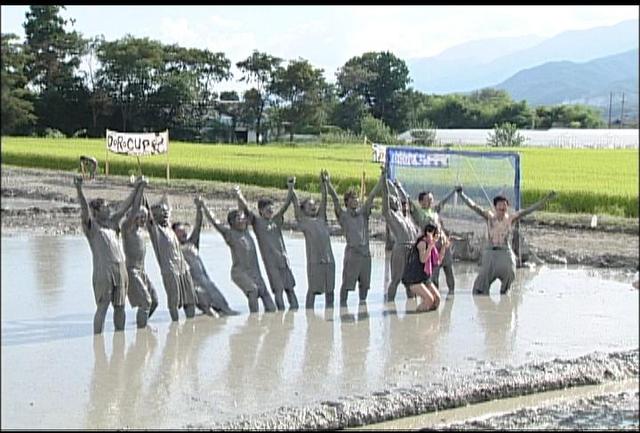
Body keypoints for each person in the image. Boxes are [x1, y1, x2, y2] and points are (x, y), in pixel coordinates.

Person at [74, 174, 146, 334]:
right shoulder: (92, 227)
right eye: (105, 206)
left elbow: (127, 207)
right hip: (103, 271)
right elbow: (85, 210)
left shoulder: (113, 223)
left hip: (120, 269)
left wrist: (138, 188)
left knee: (120, 306)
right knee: (103, 305)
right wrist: (79, 189)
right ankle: (97, 340)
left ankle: (119, 339)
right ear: (96, 211)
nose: (110, 208)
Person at [457, 186, 557, 295]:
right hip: (491, 252)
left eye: (504, 205)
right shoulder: (489, 217)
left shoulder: (510, 218)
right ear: (495, 207)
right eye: (500, 204)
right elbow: (474, 206)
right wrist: (462, 194)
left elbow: (528, 210)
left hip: (505, 251)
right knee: (481, 283)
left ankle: (505, 290)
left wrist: (546, 199)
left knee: (510, 272)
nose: (502, 207)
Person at [200, 200, 276, 313]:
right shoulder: (230, 234)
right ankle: (254, 320)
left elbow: (245, 209)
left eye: (243, 218)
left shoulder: (246, 232)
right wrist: (204, 206)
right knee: (253, 291)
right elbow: (215, 222)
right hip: (240, 272)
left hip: (255, 273)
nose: (242, 220)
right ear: (232, 222)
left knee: (270, 304)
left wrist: (238, 195)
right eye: (238, 219)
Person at [234, 185, 298, 311]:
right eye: (266, 208)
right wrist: (239, 194)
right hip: (271, 264)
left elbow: (286, 205)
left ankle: (295, 313)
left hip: (284, 261)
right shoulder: (257, 223)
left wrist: (291, 187)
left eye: (271, 208)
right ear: (260, 211)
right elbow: (245, 209)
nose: (270, 210)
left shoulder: (276, 220)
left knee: (290, 289)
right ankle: (281, 316)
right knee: (278, 291)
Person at [173, 196, 239, 317]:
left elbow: (198, 225)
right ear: (173, 234)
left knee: (227, 310)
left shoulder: (192, 244)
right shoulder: (174, 249)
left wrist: (199, 208)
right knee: (212, 313)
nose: (184, 233)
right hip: (193, 286)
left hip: (207, 283)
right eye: (180, 231)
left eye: (184, 230)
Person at [326, 168, 383, 306]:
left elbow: (372, 196)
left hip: (365, 254)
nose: (356, 200)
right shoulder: (343, 216)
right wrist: (328, 184)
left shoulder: (363, 213)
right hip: (353, 254)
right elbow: (335, 200)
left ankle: (363, 307)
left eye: (357, 198)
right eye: (352, 199)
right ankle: (342, 306)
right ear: (347, 202)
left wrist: (382, 178)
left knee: (365, 286)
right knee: (347, 285)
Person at [144, 194, 197, 321]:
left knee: (190, 299)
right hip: (170, 270)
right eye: (162, 211)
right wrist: (141, 190)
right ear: (155, 215)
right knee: (174, 300)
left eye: (166, 210)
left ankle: (190, 326)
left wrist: (165, 198)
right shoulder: (155, 230)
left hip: (183, 268)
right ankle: (175, 325)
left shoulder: (169, 228)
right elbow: (147, 213)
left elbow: (168, 206)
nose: (166, 213)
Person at [289, 172, 336, 310]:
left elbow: (325, 199)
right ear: (303, 210)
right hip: (315, 262)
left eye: (314, 205)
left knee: (330, 291)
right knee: (313, 291)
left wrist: (324, 184)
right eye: (310, 206)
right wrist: (291, 187)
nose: (314, 207)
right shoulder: (303, 221)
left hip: (329, 261)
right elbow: (295, 204)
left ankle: (329, 315)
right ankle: (310, 318)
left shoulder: (321, 218)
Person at [405, 187, 457, 293]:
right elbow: (408, 200)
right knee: (434, 276)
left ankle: (451, 297)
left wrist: (453, 191)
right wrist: (398, 187)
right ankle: (433, 299)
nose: (430, 201)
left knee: (449, 272)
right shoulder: (419, 214)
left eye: (431, 199)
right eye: (427, 199)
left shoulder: (434, 212)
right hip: (432, 248)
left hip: (443, 245)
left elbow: (443, 201)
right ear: (421, 202)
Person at [380, 171, 420, 302]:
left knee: (411, 282)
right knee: (396, 279)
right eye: (393, 200)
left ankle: (411, 306)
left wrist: (398, 186)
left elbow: (406, 201)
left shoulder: (406, 215)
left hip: (412, 249)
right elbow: (385, 199)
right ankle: (390, 304)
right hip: (400, 249)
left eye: (396, 199)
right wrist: (384, 182)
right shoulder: (390, 215)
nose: (396, 200)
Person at [122, 202, 159, 328]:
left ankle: (142, 323)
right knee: (146, 302)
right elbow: (130, 216)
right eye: (141, 216)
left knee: (154, 301)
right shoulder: (128, 230)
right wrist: (139, 188)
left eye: (145, 216)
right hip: (132, 271)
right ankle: (141, 332)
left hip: (142, 272)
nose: (144, 219)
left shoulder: (142, 232)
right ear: (134, 217)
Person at [401, 223, 448, 312]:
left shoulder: (432, 246)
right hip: (414, 278)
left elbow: (438, 262)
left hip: (424, 277)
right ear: (430, 233)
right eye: (436, 235)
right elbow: (423, 259)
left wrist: (444, 247)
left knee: (437, 299)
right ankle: (414, 320)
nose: (437, 238)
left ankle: (431, 322)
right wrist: (430, 246)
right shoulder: (422, 243)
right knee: (429, 300)